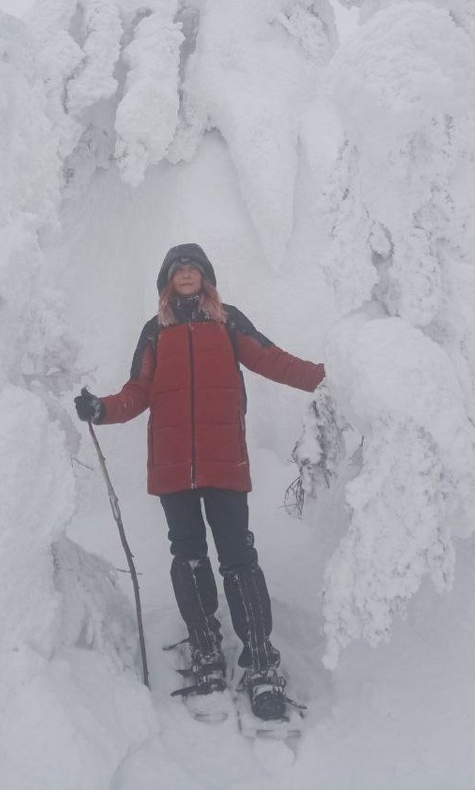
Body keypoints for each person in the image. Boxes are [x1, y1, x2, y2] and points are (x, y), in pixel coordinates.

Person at [74, 243, 325, 721]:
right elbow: (138, 392)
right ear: (166, 282)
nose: (185, 274)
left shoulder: (227, 320)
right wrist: (102, 409)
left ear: (205, 277)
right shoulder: (155, 331)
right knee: (188, 555)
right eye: (177, 269)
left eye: (193, 268)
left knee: (238, 557)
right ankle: (207, 649)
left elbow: (273, 360)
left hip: (223, 461)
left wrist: (330, 379)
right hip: (171, 467)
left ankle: (260, 660)